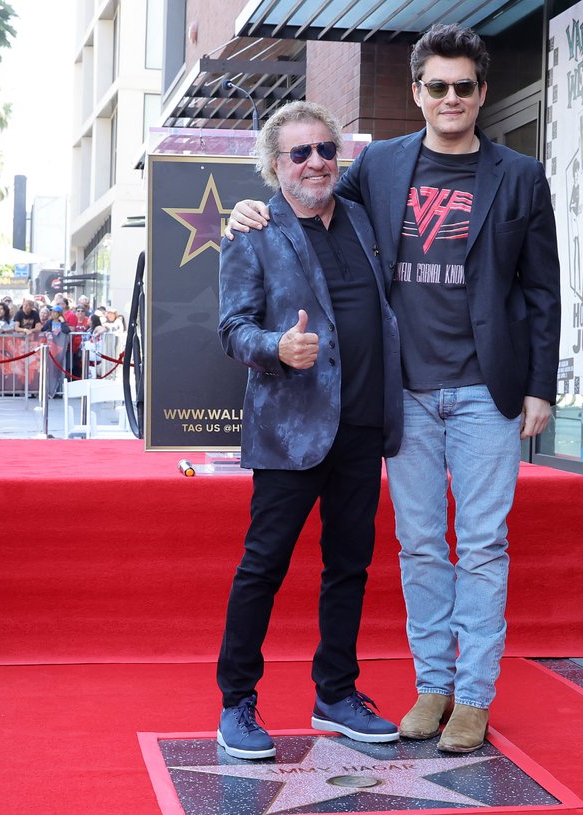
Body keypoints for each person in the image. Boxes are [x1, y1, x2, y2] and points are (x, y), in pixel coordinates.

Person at [229, 24, 561, 753]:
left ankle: (472, 696)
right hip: (402, 392)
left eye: (463, 86)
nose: (450, 98)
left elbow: (541, 289)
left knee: (480, 543)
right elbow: (304, 193)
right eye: (436, 86)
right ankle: (432, 685)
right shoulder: (378, 165)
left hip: (487, 389)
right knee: (418, 544)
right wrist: (245, 210)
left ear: (482, 92)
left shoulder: (521, 176)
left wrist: (541, 385)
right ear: (416, 92)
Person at [215, 100, 404, 761]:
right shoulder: (252, 231)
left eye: (326, 149)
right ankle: (236, 702)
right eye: (300, 153)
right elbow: (233, 328)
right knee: (262, 568)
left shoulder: (361, 219)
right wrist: (276, 347)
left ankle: (337, 693)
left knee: (349, 566)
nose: (316, 162)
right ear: (276, 167)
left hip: (361, 427)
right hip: (290, 431)